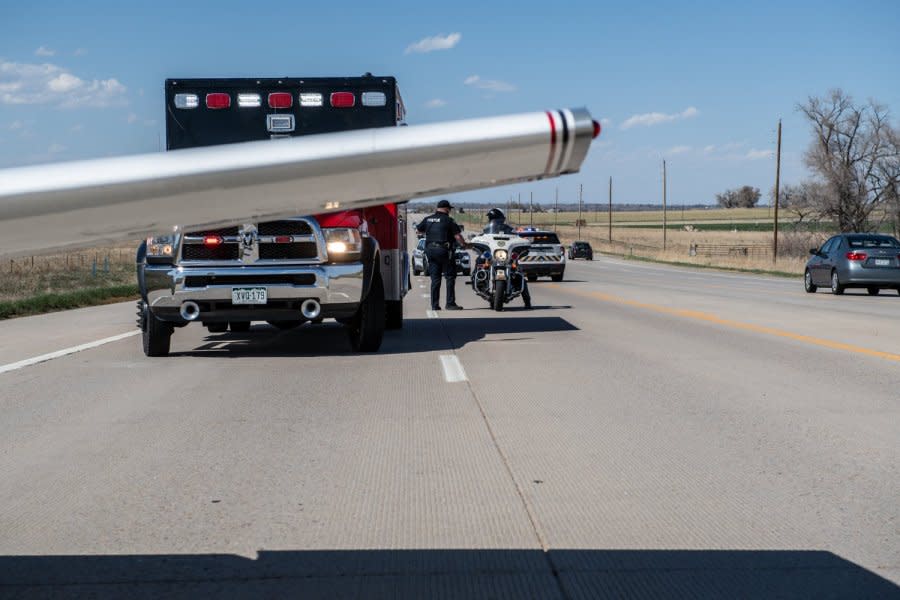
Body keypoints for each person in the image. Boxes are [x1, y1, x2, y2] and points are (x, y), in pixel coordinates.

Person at [416, 199, 468, 310]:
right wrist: (464, 245)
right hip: (444, 251)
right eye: (449, 208)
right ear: (446, 209)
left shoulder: (428, 219)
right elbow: (458, 236)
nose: (449, 210)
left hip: (430, 251)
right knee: (450, 277)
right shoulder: (449, 220)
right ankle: (450, 303)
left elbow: (418, 231)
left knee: (435, 279)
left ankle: (434, 305)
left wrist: (430, 233)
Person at [482, 208, 532, 309]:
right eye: (492, 218)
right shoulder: (487, 230)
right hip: (493, 255)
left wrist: (523, 242)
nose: (493, 220)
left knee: (519, 273)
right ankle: (479, 278)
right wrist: (477, 239)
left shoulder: (509, 229)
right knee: (479, 261)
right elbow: (482, 236)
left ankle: (527, 301)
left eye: (494, 218)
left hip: (505, 256)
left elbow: (516, 237)